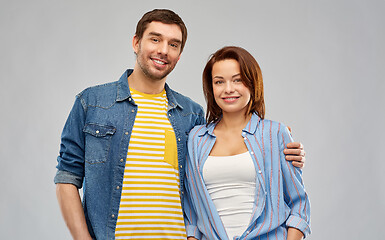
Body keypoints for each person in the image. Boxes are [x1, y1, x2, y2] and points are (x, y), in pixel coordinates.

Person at [54, 9, 306, 240]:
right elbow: (67, 177)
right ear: (136, 42)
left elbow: (224, 162)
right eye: (155, 39)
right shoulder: (92, 102)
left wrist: (283, 148)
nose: (163, 50)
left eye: (173, 44)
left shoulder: (191, 116)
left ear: (179, 54)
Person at [184, 46, 310, 240]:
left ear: (252, 83)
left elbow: (299, 204)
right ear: (211, 88)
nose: (228, 89)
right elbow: (191, 212)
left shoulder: (275, 133)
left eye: (238, 80)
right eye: (219, 82)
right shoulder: (196, 139)